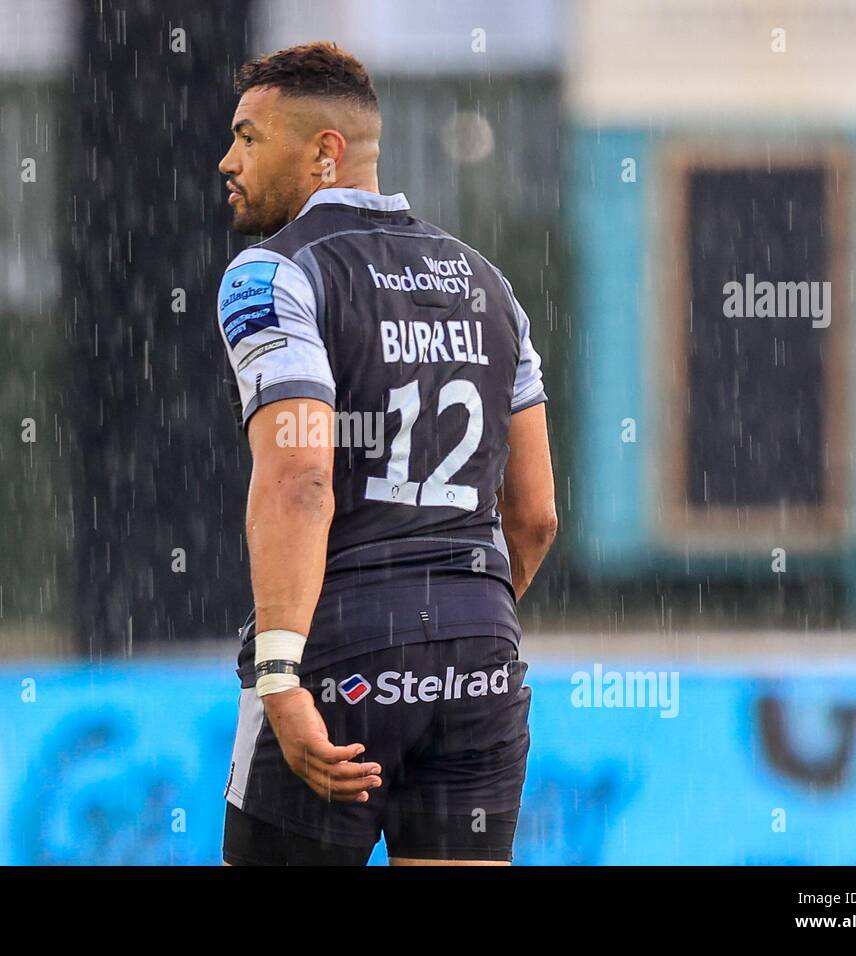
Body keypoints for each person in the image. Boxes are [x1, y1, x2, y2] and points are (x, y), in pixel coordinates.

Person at [215, 41, 558, 865]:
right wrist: (457, 630)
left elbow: (300, 477)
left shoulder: (273, 273)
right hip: (482, 650)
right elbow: (536, 515)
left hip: (341, 649)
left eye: (249, 138)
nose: (227, 161)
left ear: (324, 153)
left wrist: (281, 674)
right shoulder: (489, 282)